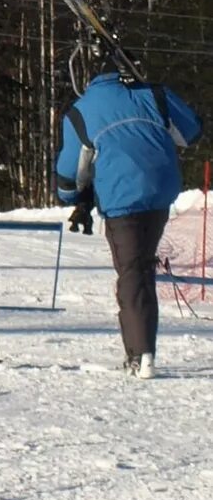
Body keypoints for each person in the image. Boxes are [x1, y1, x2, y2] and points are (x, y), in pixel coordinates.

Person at [56, 61, 200, 377]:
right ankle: (141, 347)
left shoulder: (82, 111)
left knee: (133, 272)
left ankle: (141, 354)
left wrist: (71, 198)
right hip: (161, 192)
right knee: (141, 265)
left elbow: (70, 174)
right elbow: (191, 130)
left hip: (122, 199)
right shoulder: (153, 94)